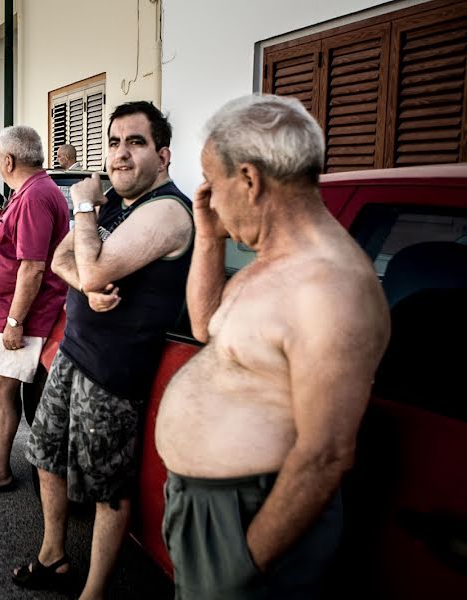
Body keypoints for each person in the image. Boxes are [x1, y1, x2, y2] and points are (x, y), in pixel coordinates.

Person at [155, 94, 391, 600]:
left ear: (249, 180)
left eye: (213, 184)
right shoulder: (273, 261)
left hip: (252, 518)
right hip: (213, 507)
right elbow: (204, 324)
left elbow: (326, 453)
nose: (210, 198)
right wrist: (210, 235)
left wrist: (240, 568)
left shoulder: (328, 287)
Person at [14, 102, 194, 599]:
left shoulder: (167, 211)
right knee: (46, 456)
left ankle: (94, 593)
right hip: (74, 351)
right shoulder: (115, 201)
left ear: (163, 155)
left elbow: (87, 263)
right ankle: (53, 557)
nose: (120, 154)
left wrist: (86, 210)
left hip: (114, 374)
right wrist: (90, 285)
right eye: (114, 142)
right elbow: (61, 258)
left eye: (134, 143)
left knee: (107, 491)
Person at [0, 125, 69, 496]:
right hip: (8, 313)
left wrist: (15, 322)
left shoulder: (36, 196)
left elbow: (33, 266)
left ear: (7, 160)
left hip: (21, 317)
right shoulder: (31, 191)